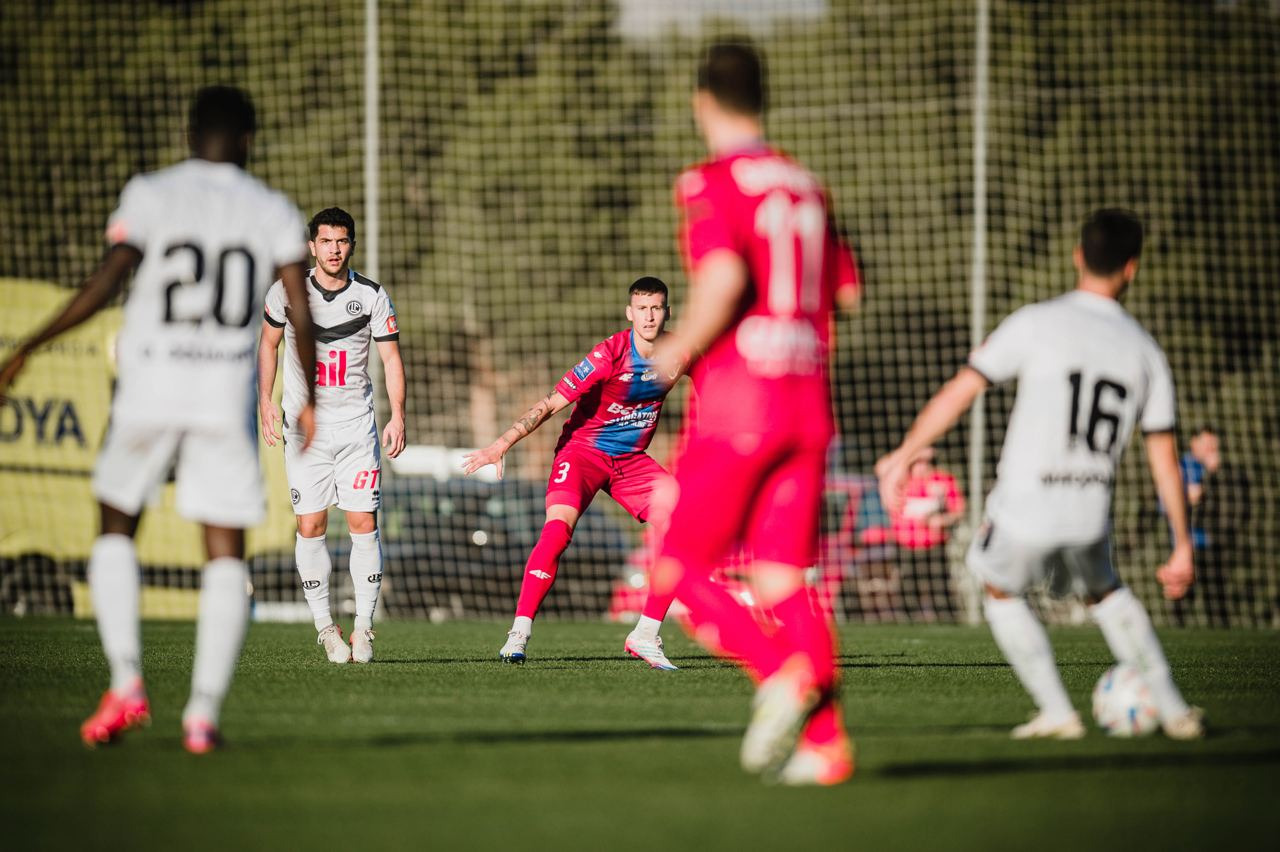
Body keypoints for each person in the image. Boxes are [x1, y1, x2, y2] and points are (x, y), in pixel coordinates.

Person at [0, 87, 317, 753]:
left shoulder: (151, 193)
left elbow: (105, 282)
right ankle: (202, 716)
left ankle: (126, 683)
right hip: (221, 395)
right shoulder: (271, 209)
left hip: (149, 387)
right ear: (249, 140)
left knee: (116, 523)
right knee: (224, 547)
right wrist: (309, 395)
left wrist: (29, 345)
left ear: (189, 132)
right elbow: (299, 305)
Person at [877, 208, 1204, 741]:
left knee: (998, 586)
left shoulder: (1036, 322)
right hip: (1090, 509)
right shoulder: (1145, 350)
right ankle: (1174, 711)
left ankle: (1057, 712)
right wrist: (1182, 544)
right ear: (1132, 268)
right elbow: (1163, 457)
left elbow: (962, 389)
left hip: (1027, 502)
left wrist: (905, 453)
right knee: (1106, 593)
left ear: (1078, 257)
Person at [648, 41, 862, 786]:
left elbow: (724, 274)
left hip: (742, 404)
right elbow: (848, 292)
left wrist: (673, 352)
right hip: (808, 404)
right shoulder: (807, 185)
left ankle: (780, 672)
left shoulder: (711, 181)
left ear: (702, 101)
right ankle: (827, 747)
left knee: (676, 568)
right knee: (779, 578)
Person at [463, 277, 683, 670]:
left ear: (667, 312)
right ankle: (519, 632)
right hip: (583, 453)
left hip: (632, 460)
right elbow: (550, 404)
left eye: (656, 308)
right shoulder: (609, 354)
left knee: (685, 527)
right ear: (629, 313)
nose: (649, 316)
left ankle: (645, 634)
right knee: (557, 531)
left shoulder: (680, 350)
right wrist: (500, 445)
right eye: (642, 309)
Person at [258, 207, 406, 663]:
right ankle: (326, 627)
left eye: (341, 241)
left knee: (363, 524)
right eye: (326, 241)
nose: (334, 250)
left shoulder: (372, 295)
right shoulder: (286, 291)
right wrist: (265, 400)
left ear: (351, 246)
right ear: (312, 246)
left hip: (357, 427)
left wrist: (398, 414)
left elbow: (391, 359)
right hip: (306, 430)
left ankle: (363, 627)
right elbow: (268, 344)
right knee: (311, 525)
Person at [1165, 426, 1233, 627]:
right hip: (1184, 545)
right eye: (1206, 444)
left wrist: (1214, 475)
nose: (1210, 449)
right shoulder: (1181, 467)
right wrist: (1185, 497)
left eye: (1213, 445)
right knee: (1181, 600)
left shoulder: (1221, 472)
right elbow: (1164, 504)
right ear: (1194, 443)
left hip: (1213, 544)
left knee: (1217, 600)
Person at [889, 448, 965, 621]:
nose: (921, 465)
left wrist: (941, 519)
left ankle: (947, 621)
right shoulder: (900, 480)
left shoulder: (943, 481)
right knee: (907, 589)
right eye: (917, 461)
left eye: (925, 461)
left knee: (939, 589)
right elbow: (881, 467)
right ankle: (907, 622)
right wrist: (911, 450)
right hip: (905, 546)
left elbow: (959, 511)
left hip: (934, 546)